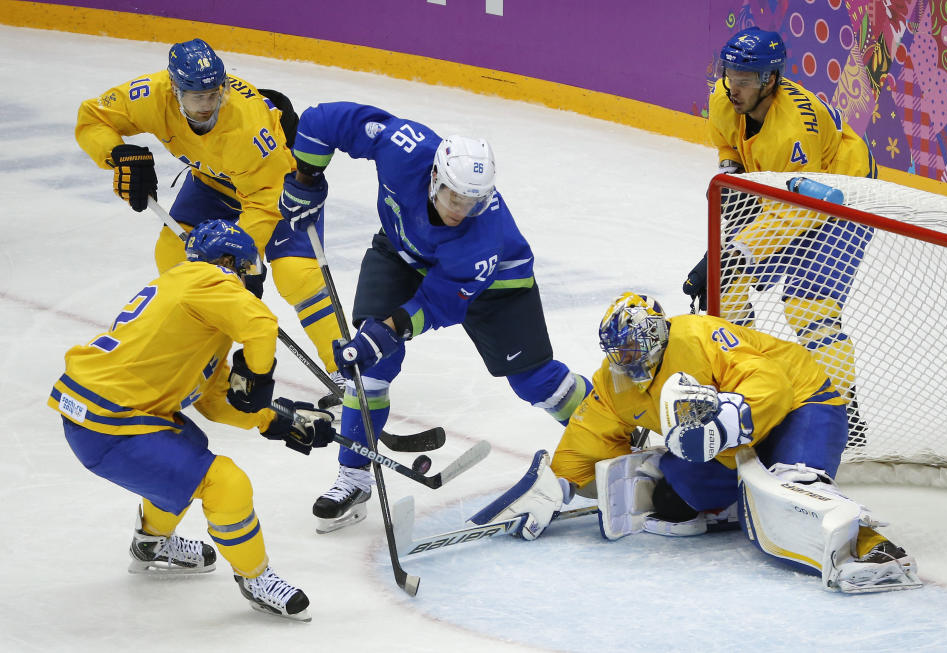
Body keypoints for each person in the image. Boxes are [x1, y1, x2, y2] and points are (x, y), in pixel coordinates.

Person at [276, 102, 593, 532]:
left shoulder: (481, 239)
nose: (459, 209)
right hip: (402, 252)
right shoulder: (401, 146)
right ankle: (353, 478)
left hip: (498, 282)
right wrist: (306, 179)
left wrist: (385, 332)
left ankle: (611, 430)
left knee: (536, 381)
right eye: (453, 197)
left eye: (472, 202)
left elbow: (438, 304)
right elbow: (319, 122)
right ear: (435, 177)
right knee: (371, 367)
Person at [472, 292, 920, 593]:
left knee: (792, 487)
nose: (629, 361)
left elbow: (772, 383)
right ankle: (735, 507)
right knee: (676, 478)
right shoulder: (614, 381)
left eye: (635, 349)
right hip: (738, 439)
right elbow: (590, 433)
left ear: (658, 333)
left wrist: (730, 420)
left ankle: (873, 549)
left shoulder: (699, 337)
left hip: (802, 403)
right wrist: (559, 483)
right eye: (620, 353)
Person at [47, 219, 337, 620]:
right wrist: (257, 375)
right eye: (248, 267)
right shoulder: (208, 278)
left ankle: (151, 544)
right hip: (111, 421)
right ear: (228, 262)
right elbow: (260, 325)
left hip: (106, 414)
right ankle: (255, 578)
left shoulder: (192, 301)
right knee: (225, 482)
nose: (252, 278)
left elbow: (215, 401)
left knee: (188, 453)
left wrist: (277, 420)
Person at [75, 38, 344, 396]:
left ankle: (345, 369)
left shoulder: (246, 128)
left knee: (296, 274)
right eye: (197, 97)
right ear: (174, 89)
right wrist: (118, 153)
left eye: (214, 94)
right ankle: (199, 361)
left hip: (278, 188)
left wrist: (240, 256)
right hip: (213, 184)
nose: (207, 105)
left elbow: (266, 200)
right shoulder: (150, 95)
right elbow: (93, 116)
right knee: (175, 258)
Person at [682, 26, 877, 444]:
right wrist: (734, 172)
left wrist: (739, 249)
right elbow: (729, 144)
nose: (733, 86)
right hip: (786, 195)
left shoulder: (792, 132)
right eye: (729, 73)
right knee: (727, 285)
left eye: (745, 79)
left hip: (845, 196)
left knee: (809, 307)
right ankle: (749, 383)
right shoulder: (723, 97)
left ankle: (843, 413)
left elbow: (798, 212)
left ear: (770, 80)